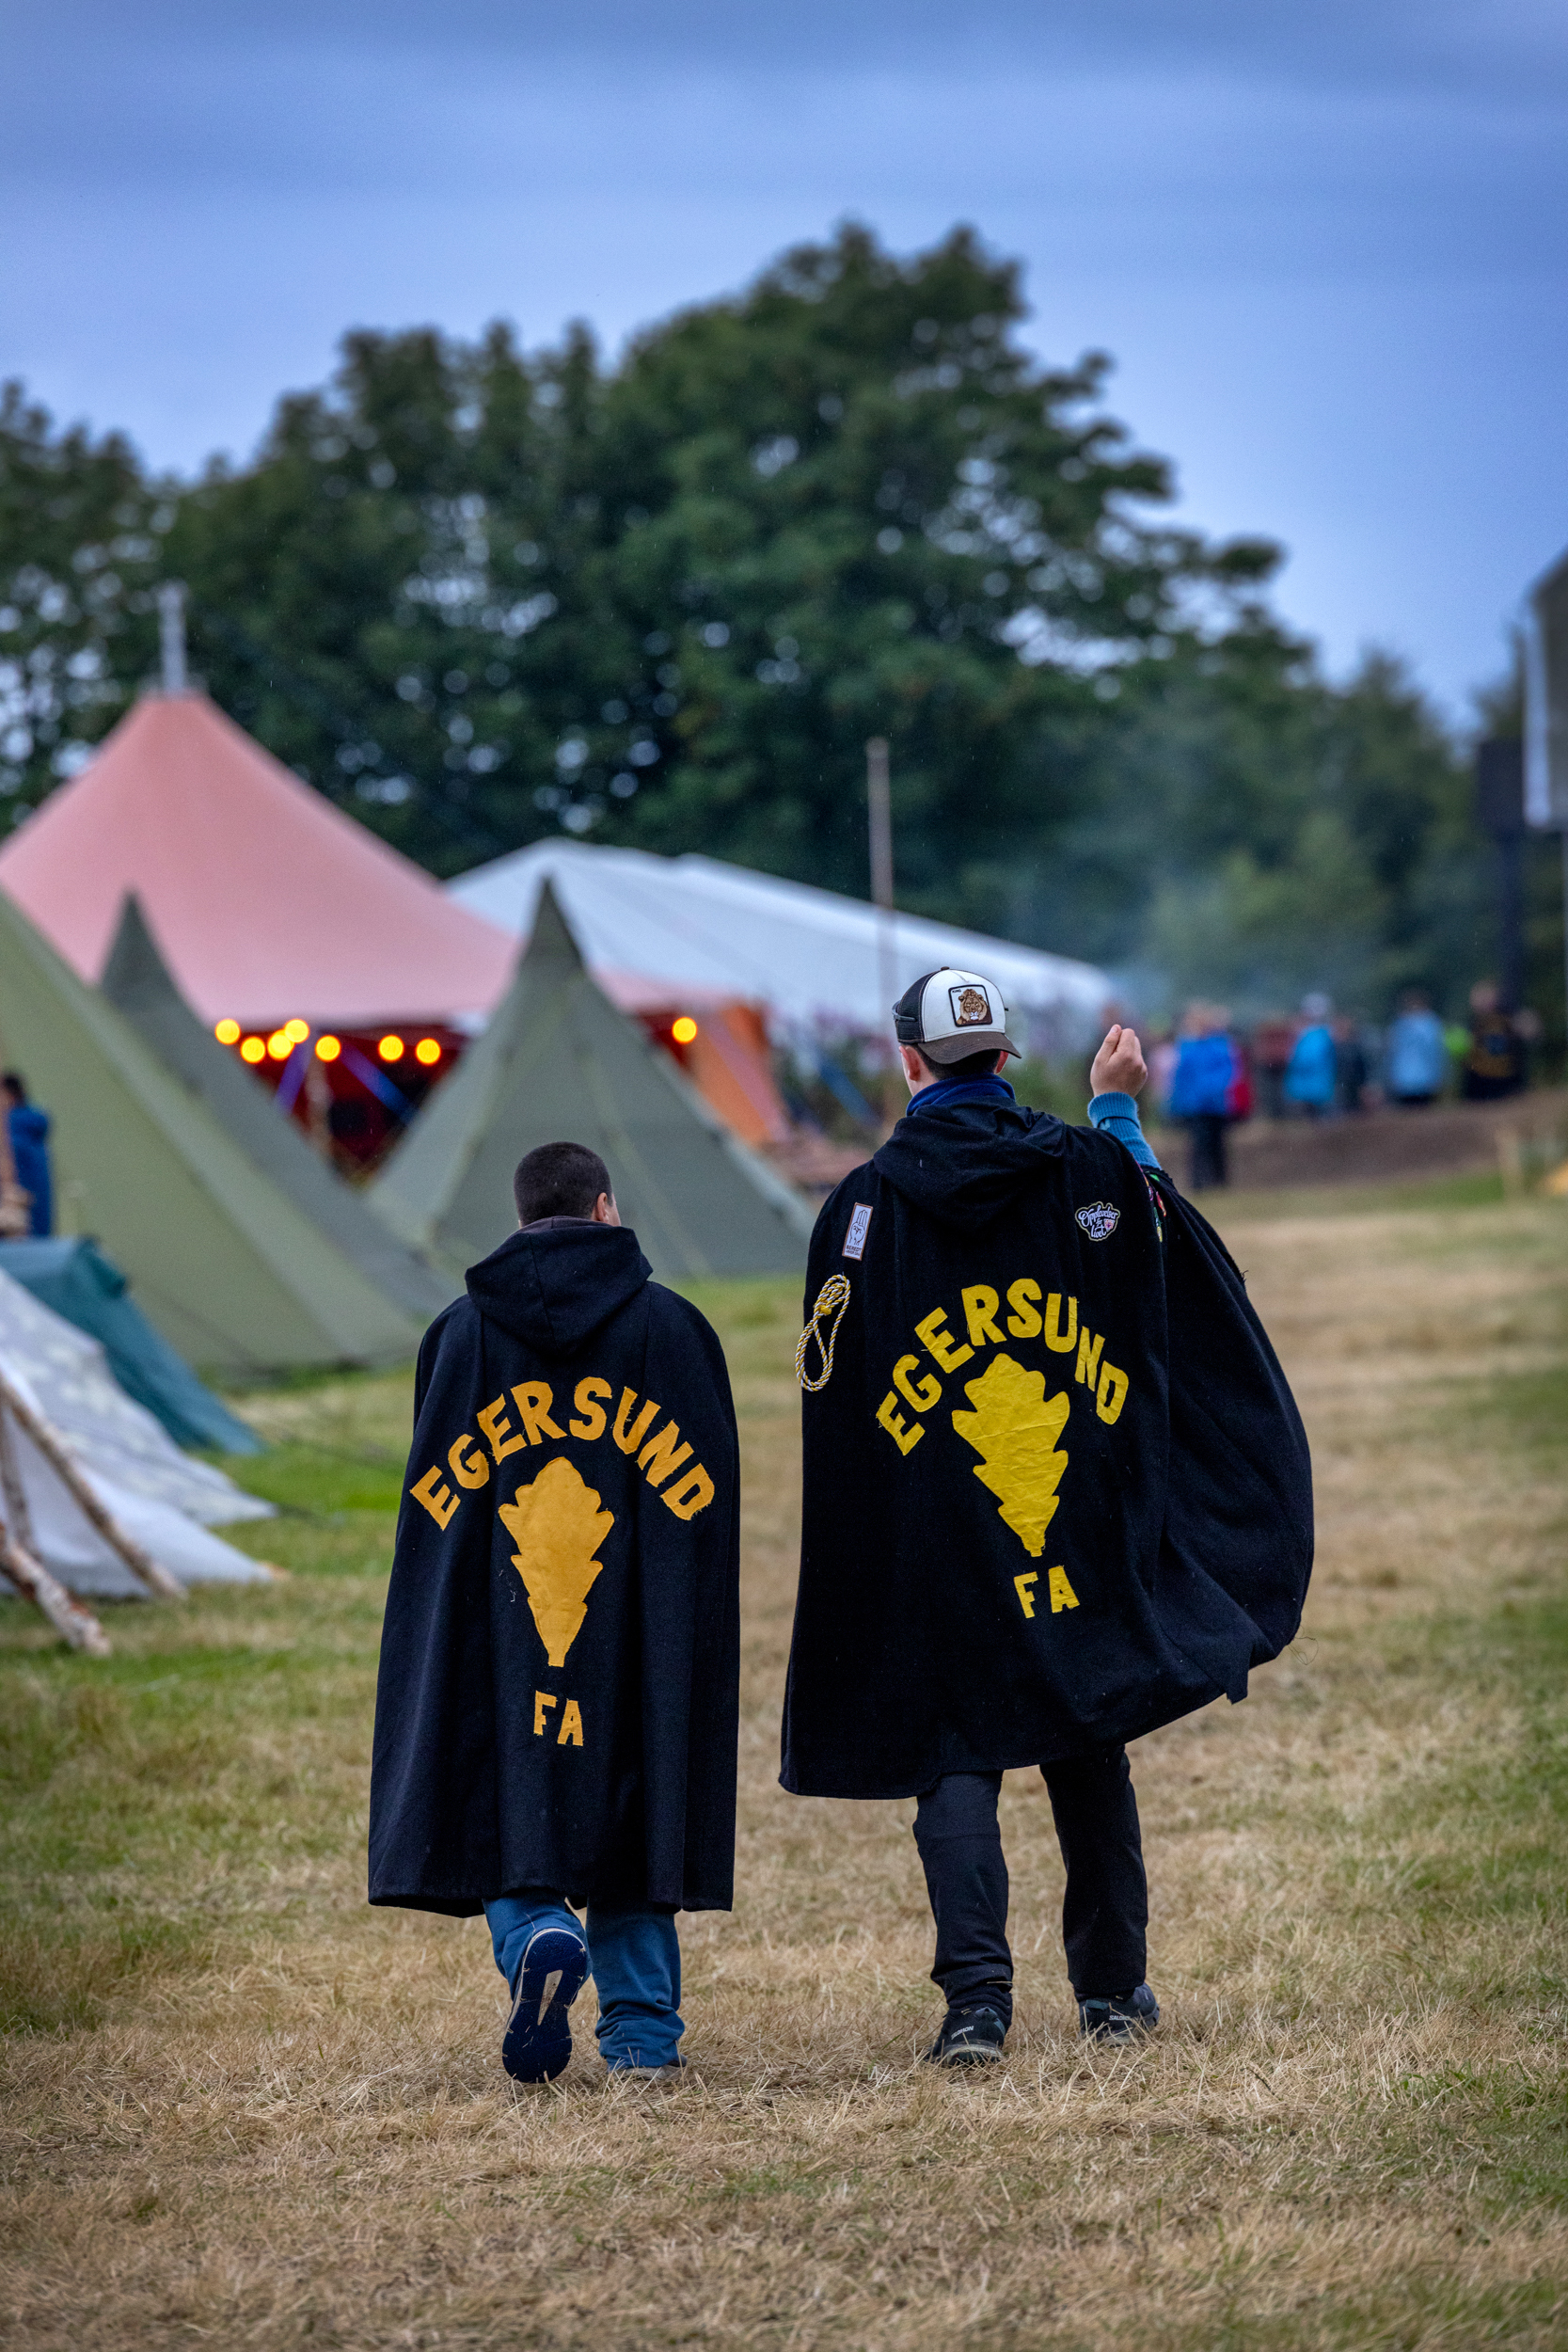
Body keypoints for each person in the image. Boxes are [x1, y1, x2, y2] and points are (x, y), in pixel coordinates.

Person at [781, 967, 1313, 2064]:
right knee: (1084, 1735)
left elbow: (831, 1399)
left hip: (938, 1532)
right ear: (1005, 1058)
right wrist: (1118, 1113)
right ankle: (1111, 1992)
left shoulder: (860, 1208)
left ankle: (975, 2006)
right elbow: (1180, 1264)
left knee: (955, 1752)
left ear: (909, 1062)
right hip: (1078, 1514)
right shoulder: (1087, 1168)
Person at [369, 1141, 740, 2085]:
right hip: (637, 1624)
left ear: (521, 1215)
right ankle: (642, 2040)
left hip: (503, 1625)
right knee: (639, 1794)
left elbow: (434, 1508)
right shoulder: (674, 1329)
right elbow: (709, 1504)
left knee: (501, 1783)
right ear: (606, 1208)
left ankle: (535, 1931)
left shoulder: (459, 1334)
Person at [1167, 1006, 1237, 1190]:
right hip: (1193, 1105)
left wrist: (1211, 1088)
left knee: (1217, 1144)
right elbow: (1179, 1077)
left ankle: (1219, 1181)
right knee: (1198, 1145)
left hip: (1215, 1104)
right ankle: (1198, 1182)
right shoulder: (1186, 1047)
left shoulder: (1219, 1045)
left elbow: (1228, 1071)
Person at [3, 1073, 53, 1235]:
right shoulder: (33, 1124)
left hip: (17, 1227)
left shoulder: (11, 1129)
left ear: (8, 1096)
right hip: (39, 1231)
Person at [1462, 981, 1528, 1102]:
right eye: (1480, 997)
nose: (1484, 1001)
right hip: (1479, 1078)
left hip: (1504, 1077)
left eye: (1487, 997)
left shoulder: (1507, 1018)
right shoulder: (1473, 1022)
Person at [1384, 992, 1448, 1107]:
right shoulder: (1430, 1023)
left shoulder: (1401, 1024)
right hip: (1419, 1079)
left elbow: (1391, 1050)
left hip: (1409, 1080)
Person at [1283, 995, 1337, 1118]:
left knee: (1319, 1113)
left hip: (1318, 1082)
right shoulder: (1303, 1032)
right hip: (1308, 1082)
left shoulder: (1325, 1033)